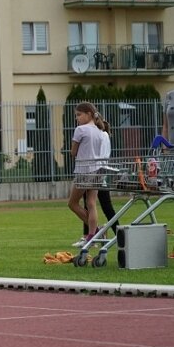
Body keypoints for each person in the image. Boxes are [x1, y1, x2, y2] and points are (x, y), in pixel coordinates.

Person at [67, 102, 105, 245]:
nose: (77, 118)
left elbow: (73, 152)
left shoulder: (80, 130)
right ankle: (93, 234)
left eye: (79, 115)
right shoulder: (99, 131)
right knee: (91, 203)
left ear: (88, 114)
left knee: (72, 204)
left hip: (84, 170)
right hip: (97, 170)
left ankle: (96, 231)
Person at [75, 120, 118, 247]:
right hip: (93, 173)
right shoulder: (98, 134)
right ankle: (90, 235)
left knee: (104, 207)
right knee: (89, 204)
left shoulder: (102, 135)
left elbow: (103, 156)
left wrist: (100, 173)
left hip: (98, 174)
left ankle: (115, 233)